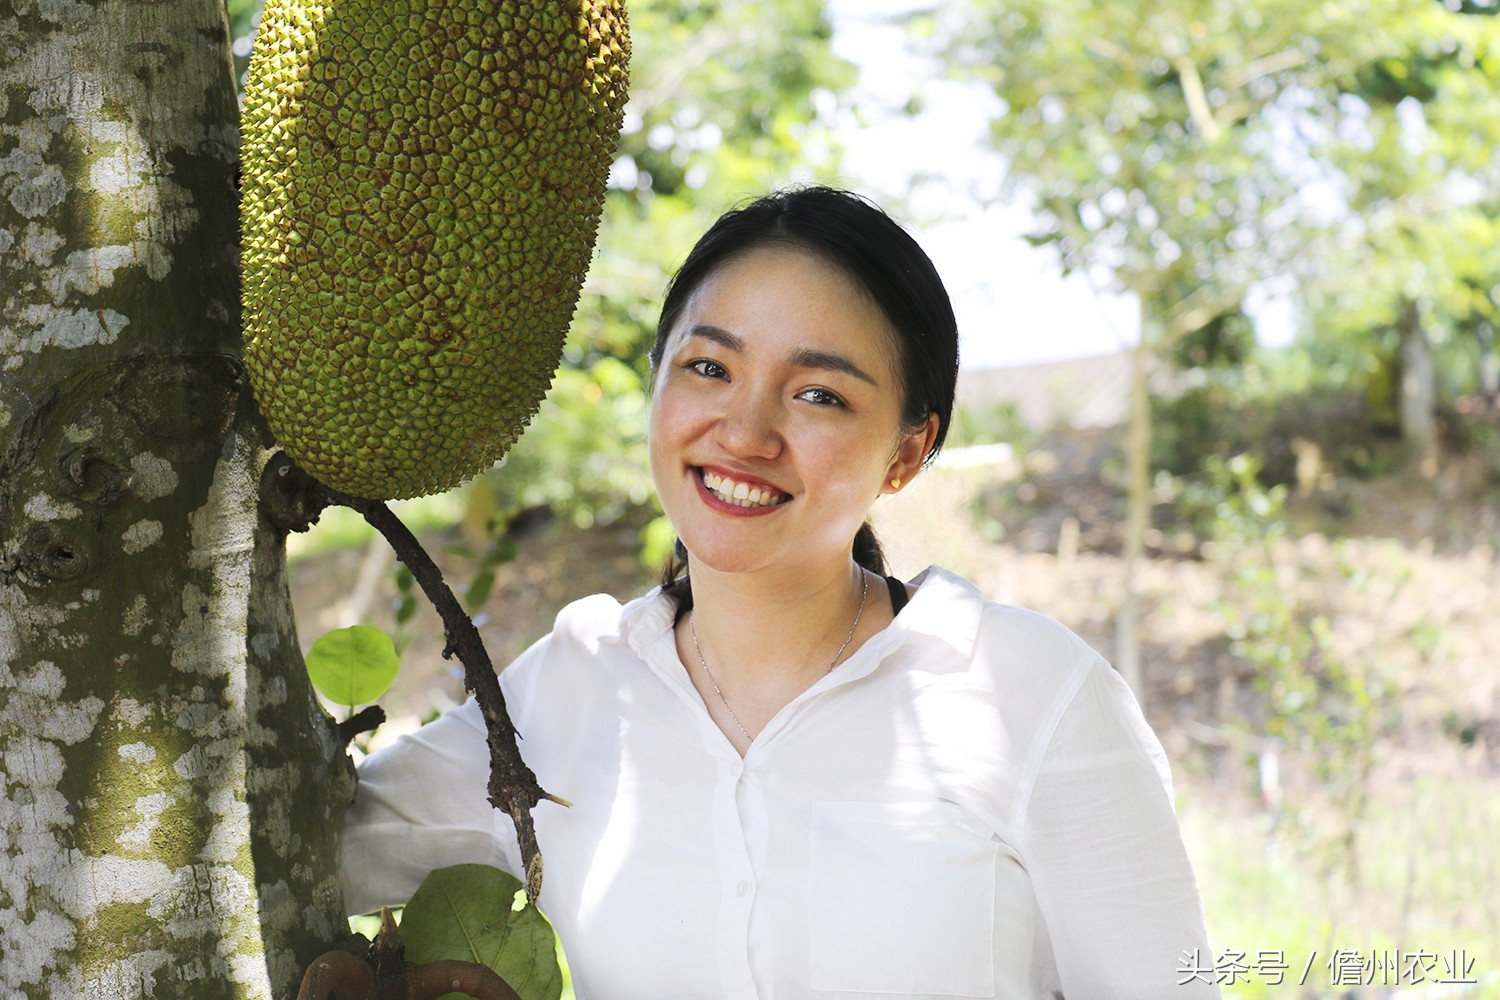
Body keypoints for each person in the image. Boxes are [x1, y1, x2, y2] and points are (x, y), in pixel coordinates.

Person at [340, 187, 1220, 999]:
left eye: (818, 394)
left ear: (909, 451)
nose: (746, 431)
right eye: (710, 369)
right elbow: (296, 844)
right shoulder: (570, 688)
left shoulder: (1030, 694)